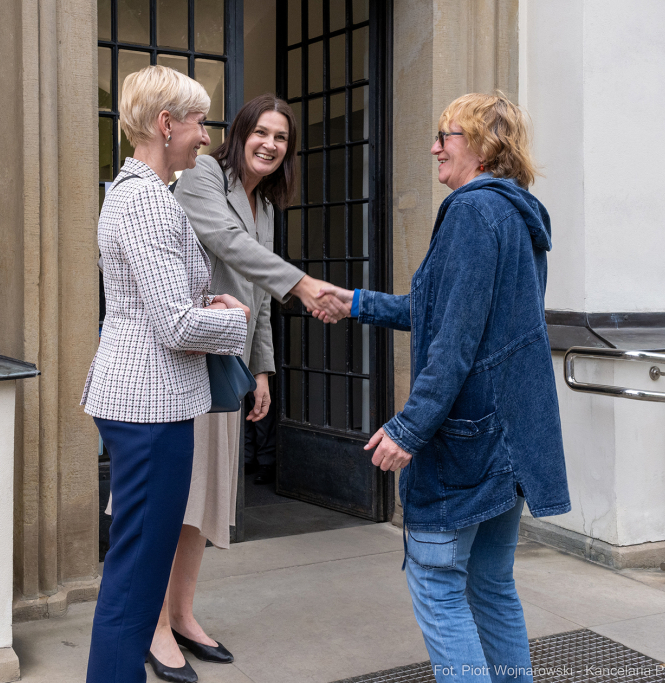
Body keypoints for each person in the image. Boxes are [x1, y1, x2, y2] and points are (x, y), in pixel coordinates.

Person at [317, 92, 571, 683]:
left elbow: (454, 342)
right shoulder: (517, 213)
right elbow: (448, 312)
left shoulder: (471, 213)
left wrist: (408, 427)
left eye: (447, 135)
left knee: (436, 584)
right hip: (510, 437)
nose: (435, 146)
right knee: (492, 586)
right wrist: (356, 303)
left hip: (468, 441)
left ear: (483, 147)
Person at [144, 94, 337, 682]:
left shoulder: (266, 207)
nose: (271, 145)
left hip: (227, 367)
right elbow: (230, 247)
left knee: (205, 504)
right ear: (240, 133)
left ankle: (182, 614)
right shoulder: (203, 176)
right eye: (262, 132)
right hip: (183, 362)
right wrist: (303, 285)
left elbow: (255, 295)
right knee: (172, 499)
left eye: (282, 138)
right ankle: (150, 626)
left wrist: (262, 370)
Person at [80, 64, 252, 683]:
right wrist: (238, 319)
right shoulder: (146, 202)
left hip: (148, 401)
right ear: (165, 123)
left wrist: (206, 306)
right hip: (149, 406)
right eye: (199, 122)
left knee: (136, 570)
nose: (205, 136)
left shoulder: (140, 195)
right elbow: (175, 327)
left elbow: (160, 305)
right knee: (136, 576)